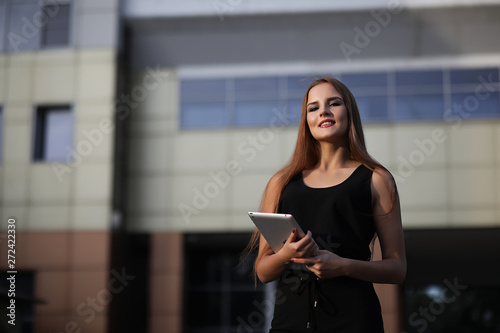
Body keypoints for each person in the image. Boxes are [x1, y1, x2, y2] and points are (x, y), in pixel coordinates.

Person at [244, 76, 406, 332]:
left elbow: (397, 269)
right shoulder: (281, 182)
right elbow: (263, 271)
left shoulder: (377, 179)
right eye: (314, 107)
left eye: (334, 103)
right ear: (306, 120)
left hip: (355, 321)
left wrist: (342, 266)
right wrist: (288, 254)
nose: (324, 112)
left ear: (349, 111)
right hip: (291, 322)